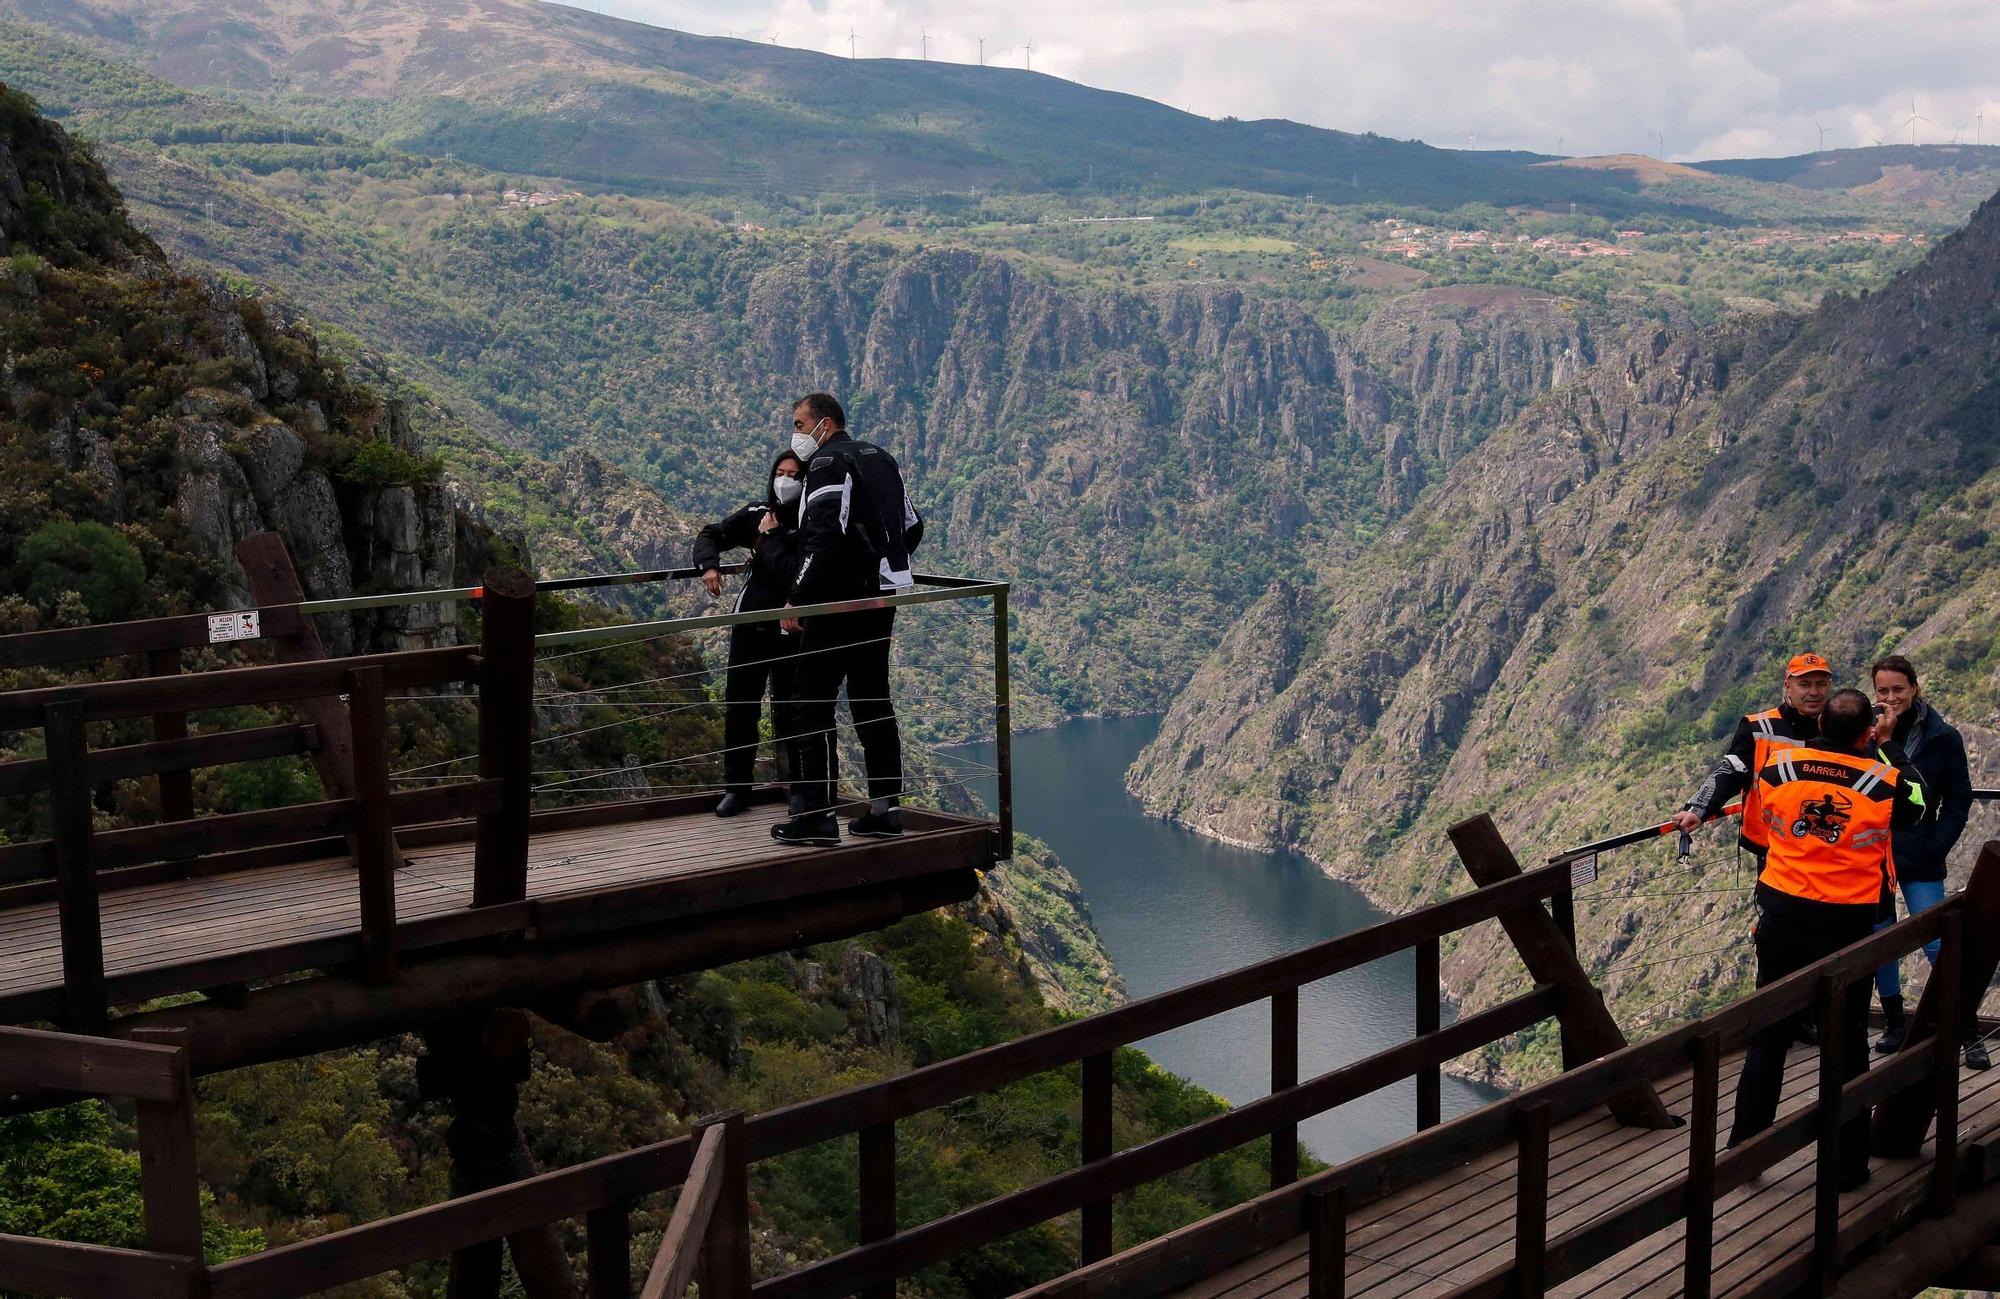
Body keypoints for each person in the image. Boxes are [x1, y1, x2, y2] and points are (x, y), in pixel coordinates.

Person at [1726, 688, 1932, 1191]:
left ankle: (1742, 1155)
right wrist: (1886, 745)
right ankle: (1844, 1168)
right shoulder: (1883, 781)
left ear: (1819, 729)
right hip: (1847, 922)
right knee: (1846, 1043)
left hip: (1783, 912)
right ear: (1866, 731)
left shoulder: (1778, 768)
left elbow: (1758, 829)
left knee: (1768, 1033)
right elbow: (1921, 805)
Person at [770, 393, 923, 847]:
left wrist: (797, 598)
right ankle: (885, 811)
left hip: (840, 603)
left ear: (825, 423)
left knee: (809, 700)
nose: (795, 434)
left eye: (799, 423)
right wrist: (883, 567)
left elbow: (823, 537)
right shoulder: (881, 458)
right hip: (882, 598)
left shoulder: (826, 464)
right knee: (872, 697)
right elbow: (912, 526)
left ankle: (816, 817)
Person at [1866, 655, 1982, 1065]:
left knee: (1937, 942)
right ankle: (1895, 1022)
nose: (1891, 698)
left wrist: (1938, 844)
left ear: (1914, 688)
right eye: (1883, 691)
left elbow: (1958, 797)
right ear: (1874, 691)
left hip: (1919, 848)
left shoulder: (1940, 735)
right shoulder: (1864, 734)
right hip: (1873, 851)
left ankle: (1967, 1028)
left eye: (1899, 689)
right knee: (1881, 942)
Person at [691, 450, 807, 817]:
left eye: (793, 474)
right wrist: (709, 566)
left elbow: (810, 569)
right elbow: (711, 533)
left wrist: (796, 599)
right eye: (780, 472)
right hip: (750, 625)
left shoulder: (812, 519)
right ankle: (737, 788)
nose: (785, 480)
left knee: (792, 710)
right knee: (741, 708)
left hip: (793, 628)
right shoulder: (758, 513)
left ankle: (801, 788)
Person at [1670, 652, 1833, 858]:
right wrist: (1698, 809)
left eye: (1821, 684)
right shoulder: (1757, 728)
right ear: (1788, 686)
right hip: (1771, 847)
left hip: (1824, 848)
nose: (1814, 692)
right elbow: (1730, 773)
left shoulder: (1842, 728)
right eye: (1805, 684)